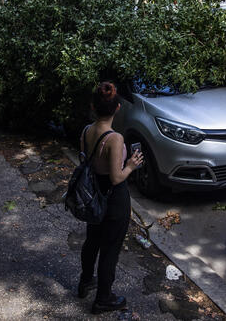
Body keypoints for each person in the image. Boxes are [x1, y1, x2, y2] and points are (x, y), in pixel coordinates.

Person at [77, 81, 143, 314]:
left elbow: (85, 161)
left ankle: (85, 281)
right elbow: (116, 177)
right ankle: (103, 298)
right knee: (110, 249)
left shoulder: (86, 131)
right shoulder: (114, 139)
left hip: (94, 195)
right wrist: (131, 165)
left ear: (93, 107)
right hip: (114, 199)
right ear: (117, 108)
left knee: (92, 240)